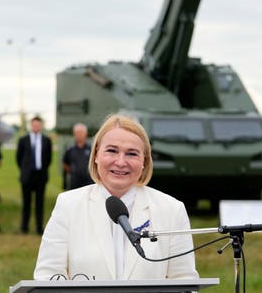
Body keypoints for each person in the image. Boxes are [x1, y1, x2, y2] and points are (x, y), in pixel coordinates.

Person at [34, 114, 198, 280]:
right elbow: (48, 275)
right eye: (112, 150)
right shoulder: (68, 205)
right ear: (96, 155)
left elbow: (184, 279)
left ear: (144, 161)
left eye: (132, 154)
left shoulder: (171, 210)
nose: (120, 162)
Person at [16, 115, 52, 234]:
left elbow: (48, 158)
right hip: (27, 175)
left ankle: (39, 227)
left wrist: (42, 169)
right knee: (26, 203)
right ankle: (24, 227)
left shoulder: (47, 140)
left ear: (41, 126)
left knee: (39, 203)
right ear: (31, 125)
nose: (36, 127)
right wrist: (25, 169)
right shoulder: (23, 140)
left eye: (38, 125)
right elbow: (18, 158)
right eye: (34, 124)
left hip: (40, 175)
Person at [62, 123, 93, 190]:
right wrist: (74, 171)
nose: (79, 135)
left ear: (86, 134)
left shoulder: (91, 148)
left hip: (88, 182)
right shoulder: (70, 149)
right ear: (74, 134)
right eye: (77, 133)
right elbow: (65, 164)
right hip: (74, 182)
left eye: (81, 133)